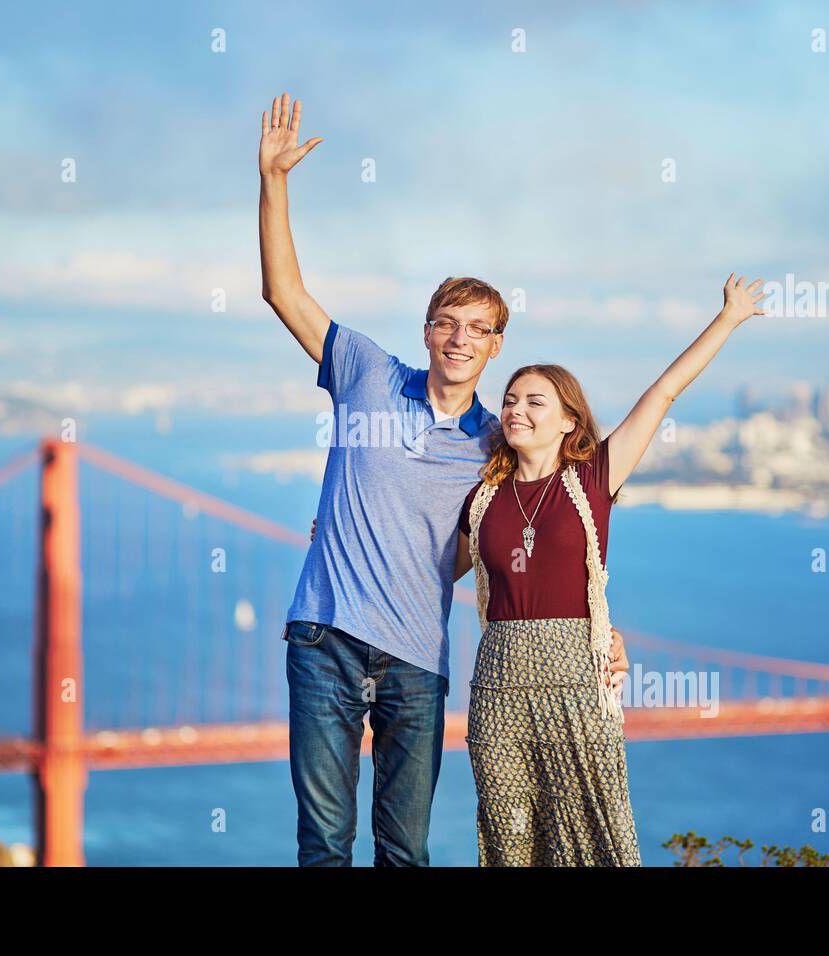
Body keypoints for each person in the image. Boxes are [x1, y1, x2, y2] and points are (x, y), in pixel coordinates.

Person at [259, 90, 632, 866]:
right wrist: (274, 181)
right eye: (446, 324)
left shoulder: (501, 444)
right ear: (426, 331)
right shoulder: (365, 371)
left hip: (417, 662)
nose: (460, 340)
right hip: (324, 637)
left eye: (479, 331)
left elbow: (551, 530)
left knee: (406, 852)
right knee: (324, 844)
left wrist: (602, 630)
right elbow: (283, 294)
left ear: (497, 347)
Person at [455, 276, 769, 866]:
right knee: (509, 845)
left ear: (569, 421)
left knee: (597, 839)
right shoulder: (484, 496)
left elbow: (665, 392)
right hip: (495, 690)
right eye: (510, 399)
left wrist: (728, 318)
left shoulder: (594, 477)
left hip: (578, 678)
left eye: (535, 401)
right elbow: (428, 566)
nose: (516, 409)